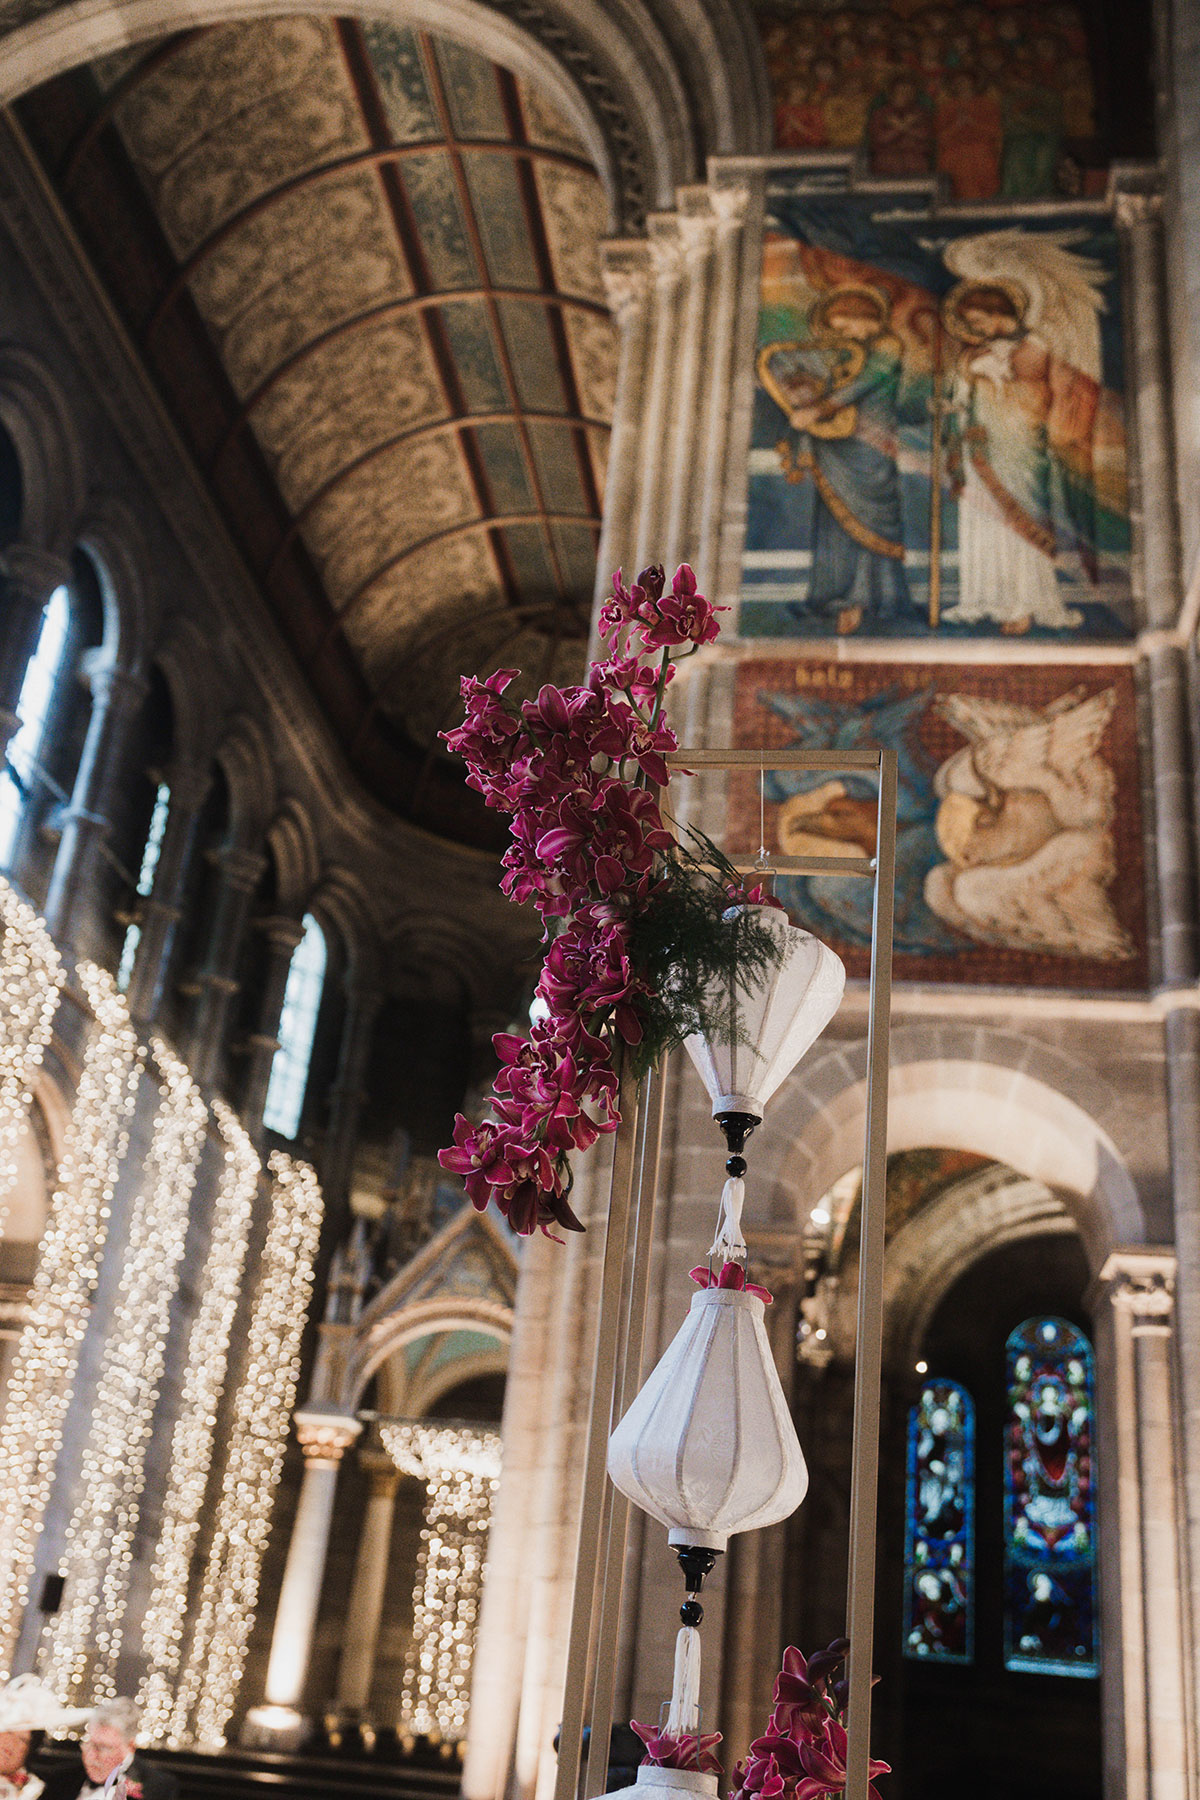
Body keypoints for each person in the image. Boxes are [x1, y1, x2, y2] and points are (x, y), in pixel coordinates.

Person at [37, 1701, 178, 1800]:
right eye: (89, 1744)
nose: (92, 1756)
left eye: (103, 1748)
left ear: (130, 1747)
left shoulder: (156, 1786)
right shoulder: (62, 1777)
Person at [0, 1678, 90, 1800]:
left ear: (30, 1750)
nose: (11, 1743)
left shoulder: (38, 1791)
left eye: (22, 1739)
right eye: (9, 1733)